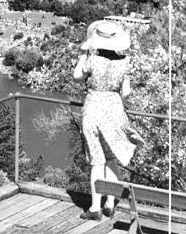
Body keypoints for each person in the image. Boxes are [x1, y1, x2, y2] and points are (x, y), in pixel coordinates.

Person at [73, 20, 144, 220]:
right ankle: (110, 204)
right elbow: (126, 92)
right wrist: (114, 101)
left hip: (93, 107)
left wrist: (81, 57)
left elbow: (77, 76)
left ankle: (95, 208)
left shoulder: (92, 60)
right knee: (111, 158)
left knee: (96, 161)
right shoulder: (125, 63)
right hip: (114, 108)